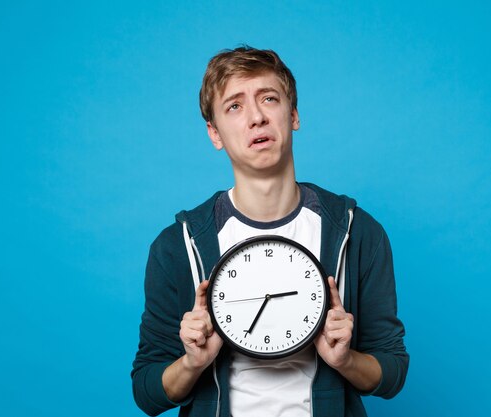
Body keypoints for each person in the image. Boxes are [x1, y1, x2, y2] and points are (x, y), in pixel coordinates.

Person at [131, 46, 409, 417]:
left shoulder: (356, 232)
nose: (257, 117)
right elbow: (146, 393)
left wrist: (345, 360)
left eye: (269, 99)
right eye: (235, 106)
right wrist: (192, 362)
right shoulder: (178, 246)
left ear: (292, 114)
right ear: (214, 133)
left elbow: (392, 371)